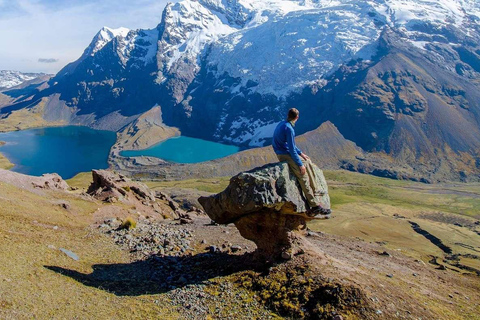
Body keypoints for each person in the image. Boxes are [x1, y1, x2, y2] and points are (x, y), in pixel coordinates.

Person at [272, 108, 331, 218]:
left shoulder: (283, 123)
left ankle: (315, 190)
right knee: (302, 175)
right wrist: (299, 164)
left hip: (282, 151)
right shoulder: (289, 128)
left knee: (307, 161)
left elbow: (292, 146)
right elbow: (291, 148)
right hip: (284, 154)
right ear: (297, 117)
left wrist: (302, 154)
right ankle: (314, 205)